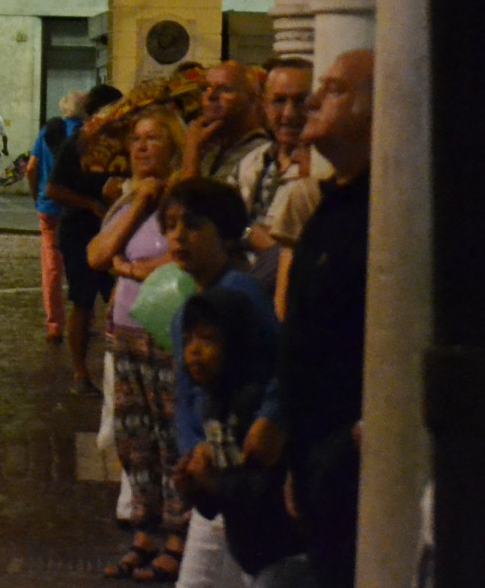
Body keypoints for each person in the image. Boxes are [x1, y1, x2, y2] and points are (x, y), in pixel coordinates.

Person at [241, 50, 373, 588]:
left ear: (376, 109)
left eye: (334, 90)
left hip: (353, 448)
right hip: (315, 447)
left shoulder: (384, 208)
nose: (315, 101)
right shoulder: (329, 207)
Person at [158, 178, 286, 588]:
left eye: (193, 224)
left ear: (226, 234)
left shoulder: (241, 297)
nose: (179, 235)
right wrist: (191, 450)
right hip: (217, 475)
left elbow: (279, 373)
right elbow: (186, 394)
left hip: (244, 475)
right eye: (171, 224)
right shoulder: (192, 307)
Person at [86, 108, 186, 581]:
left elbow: (169, 264)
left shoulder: (183, 202)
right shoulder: (128, 202)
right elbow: (96, 254)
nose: (143, 147)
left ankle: (176, 535)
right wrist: (138, 207)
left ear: (173, 146)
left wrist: (123, 268)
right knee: (134, 440)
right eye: (137, 140)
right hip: (124, 333)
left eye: (154, 139)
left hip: (167, 334)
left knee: (171, 438)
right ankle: (143, 533)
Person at [46, 83, 126, 392]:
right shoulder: (76, 144)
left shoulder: (123, 145)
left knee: (119, 301)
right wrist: (90, 203)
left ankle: (119, 369)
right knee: (82, 301)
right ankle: (80, 373)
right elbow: (53, 189)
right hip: (81, 231)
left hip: (115, 231)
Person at [236, 59, 318, 301]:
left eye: (300, 101)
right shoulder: (252, 163)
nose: (289, 114)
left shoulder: (325, 169)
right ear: (264, 106)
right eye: (280, 101)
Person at [27, 89, 87, 343]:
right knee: (82, 263)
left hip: (49, 206)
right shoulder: (87, 133)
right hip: (78, 207)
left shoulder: (47, 131)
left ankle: (55, 323)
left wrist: (36, 196)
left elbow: (31, 168)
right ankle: (84, 316)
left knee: (51, 267)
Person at [183, 62, 269, 185]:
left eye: (225, 89)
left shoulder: (261, 155)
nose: (211, 95)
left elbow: (190, 203)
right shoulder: (210, 151)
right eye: (205, 88)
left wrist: (191, 153)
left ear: (253, 100)